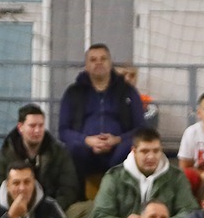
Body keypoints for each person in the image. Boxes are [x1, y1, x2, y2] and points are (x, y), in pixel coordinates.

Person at [87, 128, 199, 218]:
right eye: (145, 151)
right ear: (134, 151)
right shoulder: (114, 177)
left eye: (156, 151)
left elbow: (190, 212)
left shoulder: (176, 177)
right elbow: (98, 217)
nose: (151, 156)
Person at [58, 43, 145, 181]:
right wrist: (87, 141)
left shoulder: (128, 91)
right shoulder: (73, 92)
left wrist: (117, 140)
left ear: (110, 64)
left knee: (131, 147)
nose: (98, 62)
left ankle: (119, 190)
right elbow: (63, 131)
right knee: (72, 148)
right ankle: (78, 194)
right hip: (85, 150)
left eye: (103, 59)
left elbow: (141, 128)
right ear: (86, 66)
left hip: (118, 150)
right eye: (93, 60)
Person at [0, 103, 81, 212]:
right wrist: (16, 207)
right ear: (20, 127)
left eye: (41, 125)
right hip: (14, 210)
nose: (37, 130)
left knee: (83, 211)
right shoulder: (6, 153)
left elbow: (69, 187)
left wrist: (50, 209)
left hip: (53, 209)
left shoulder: (59, 152)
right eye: (32, 126)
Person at [119, 65, 159, 131]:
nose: (127, 79)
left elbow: (148, 129)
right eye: (123, 75)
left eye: (132, 75)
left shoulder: (147, 102)